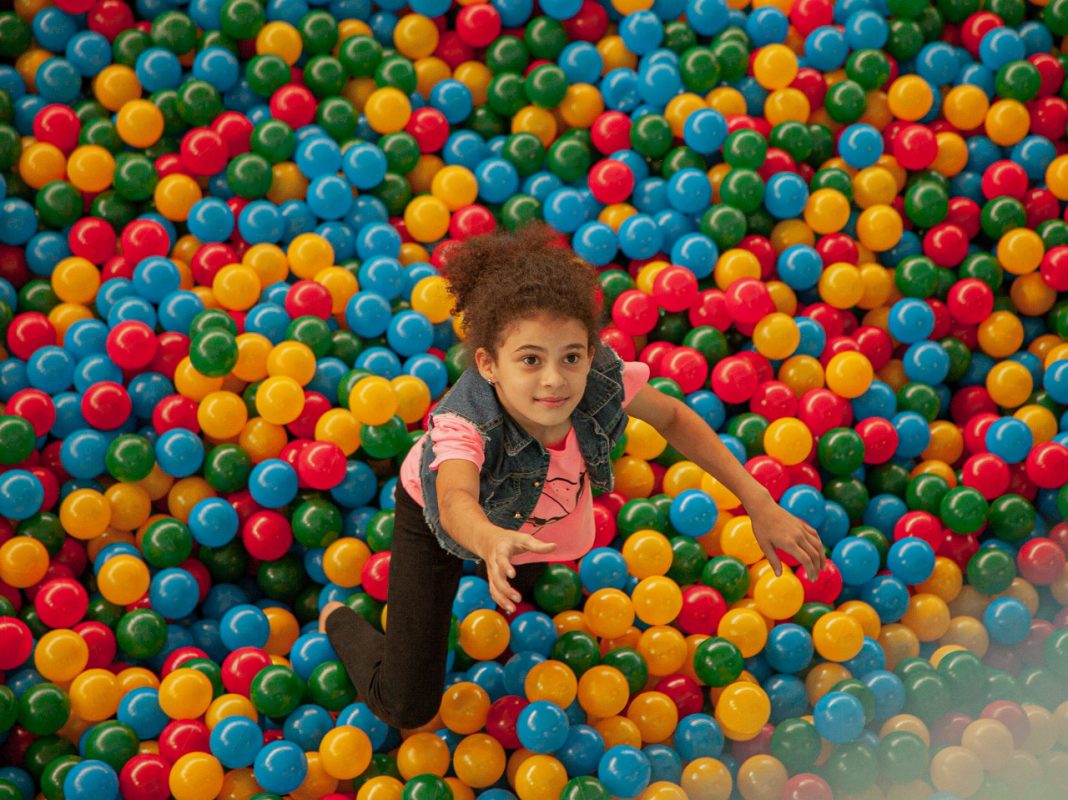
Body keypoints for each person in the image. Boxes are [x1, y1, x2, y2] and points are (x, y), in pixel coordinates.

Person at [320, 223, 824, 730]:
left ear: (589, 352)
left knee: (527, 576)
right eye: (530, 360)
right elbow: (454, 499)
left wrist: (759, 502)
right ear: (489, 364)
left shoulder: (600, 378)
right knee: (407, 705)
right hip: (441, 523)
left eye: (571, 357)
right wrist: (490, 540)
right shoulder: (465, 425)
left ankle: (513, 562)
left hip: (528, 525)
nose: (554, 379)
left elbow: (672, 417)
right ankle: (335, 620)